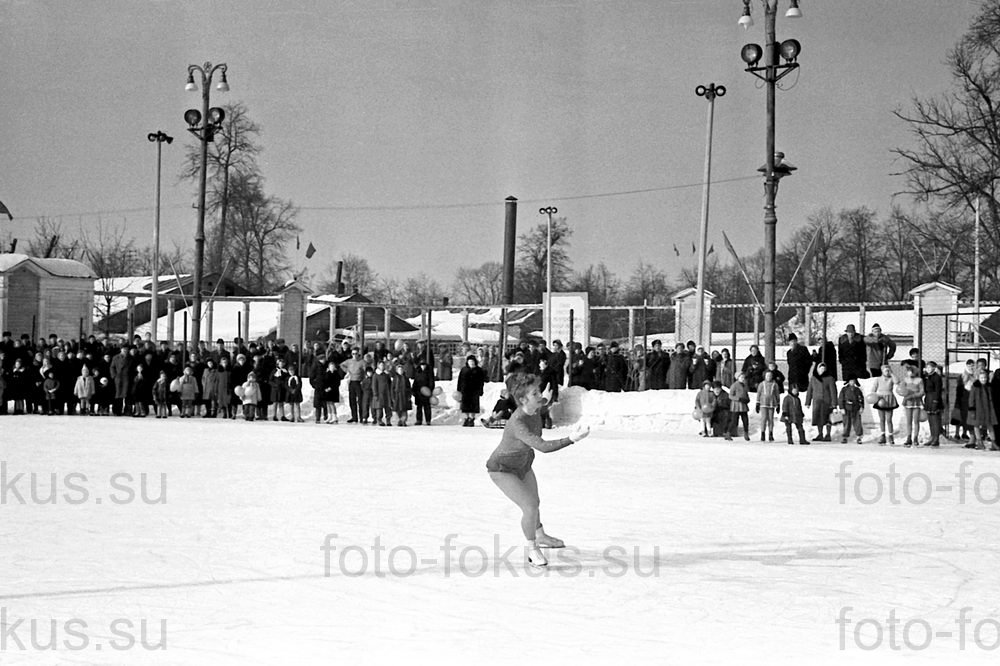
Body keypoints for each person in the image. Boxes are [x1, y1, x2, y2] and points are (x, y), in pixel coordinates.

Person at [485, 372, 590, 569]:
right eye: (535, 393)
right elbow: (543, 446)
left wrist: (545, 398)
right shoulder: (518, 422)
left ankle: (541, 535)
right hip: (502, 469)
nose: (539, 395)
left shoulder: (534, 407)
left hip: (523, 464)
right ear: (523, 399)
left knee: (535, 502)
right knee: (530, 506)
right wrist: (572, 438)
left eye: (538, 391)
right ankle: (532, 549)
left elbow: (542, 401)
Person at [966, 367, 997, 451]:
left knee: (990, 425)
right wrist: (972, 409)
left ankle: (994, 443)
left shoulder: (988, 387)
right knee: (976, 425)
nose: (984, 379)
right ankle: (979, 442)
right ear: (978, 378)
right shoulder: (975, 387)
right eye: (982, 378)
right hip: (978, 409)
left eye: (985, 378)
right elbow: (971, 399)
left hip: (987, 409)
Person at [806, 363, 837, 442]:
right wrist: (808, 402)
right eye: (820, 368)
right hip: (817, 402)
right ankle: (820, 434)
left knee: (827, 419)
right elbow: (810, 390)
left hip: (827, 402)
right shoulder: (813, 378)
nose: (822, 370)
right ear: (817, 369)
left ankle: (828, 434)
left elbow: (833, 392)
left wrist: (834, 404)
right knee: (818, 418)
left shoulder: (829, 378)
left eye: (823, 369)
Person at [896, 363, 925, 447]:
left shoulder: (919, 380)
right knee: (908, 421)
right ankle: (909, 437)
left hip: (916, 401)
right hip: (908, 401)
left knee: (916, 420)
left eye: (912, 371)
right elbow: (901, 390)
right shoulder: (905, 380)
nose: (910, 373)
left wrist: (913, 395)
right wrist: (903, 393)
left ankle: (915, 437)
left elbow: (922, 391)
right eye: (908, 371)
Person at [872, 364, 899, 446]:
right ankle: (882, 435)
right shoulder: (878, 379)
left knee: (889, 419)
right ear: (882, 371)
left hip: (889, 399)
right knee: (882, 419)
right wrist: (874, 396)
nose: (887, 372)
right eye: (885, 370)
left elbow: (897, 381)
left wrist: (892, 373)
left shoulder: (891, 379)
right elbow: (873, 389)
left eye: (888, 370)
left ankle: (890, 435)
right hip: (881, 399)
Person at [457, 355, 486, 427]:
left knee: (473, 405)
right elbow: (460, 380)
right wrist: (459, 389)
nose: (471, 363)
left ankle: (472, 418)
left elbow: (481, 381)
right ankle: (467, 418)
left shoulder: (479, 370)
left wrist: (480, 390)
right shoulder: (464, 369)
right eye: (470, 361)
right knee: (465, 405)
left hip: (474, 390)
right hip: (465, 390)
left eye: (472, 361)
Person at [838, 376, 865, 444]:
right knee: (847, 423)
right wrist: (842, 408)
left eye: (853, 381)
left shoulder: (858, 390)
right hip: (847, 409)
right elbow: (841, 399)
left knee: (857, 423)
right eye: (851, 381)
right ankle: (845, 437)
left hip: (856, 408)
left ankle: (859, 437)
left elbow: (861, 399)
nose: (852, 382)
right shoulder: (844, 389)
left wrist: (861, 407)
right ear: (848, 382)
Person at [756, 370, 780, 442]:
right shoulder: (762, 384)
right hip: (763, 403)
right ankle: (762, 433)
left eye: (770, 376)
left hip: (772, 403)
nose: (768, 377)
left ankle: (770, 433)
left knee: (770, 419)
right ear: (765, 376)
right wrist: (757, 403)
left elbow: (777, 394)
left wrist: (778, 404)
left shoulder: (774, 384)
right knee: (764, 418)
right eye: (767, 376)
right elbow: (759, 393)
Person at [728, 372, 751, 441]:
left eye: (743, 377)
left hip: (743, 405)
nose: (743, 379)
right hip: (736, 405)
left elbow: (746, 394)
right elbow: (730, 396)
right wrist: (738, 399)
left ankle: (746, 433)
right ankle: (728, 433)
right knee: (734, 420)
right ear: (737, 378)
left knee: (745, 420)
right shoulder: (734, 385)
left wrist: (747, 399)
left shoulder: (744, 385)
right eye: (741, 377)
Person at [412, 358, 434, 426]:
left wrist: (430, 390)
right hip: (418, 392)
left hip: (426, 392)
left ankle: (428, 420)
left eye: (424, 365)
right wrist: (413, 390)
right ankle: (419, 420)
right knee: (419, 407)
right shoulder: (417, 371)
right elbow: (415, 382)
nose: (423, 366)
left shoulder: (429, 372)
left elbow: (431, 382)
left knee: (427, 407)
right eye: (422, 365)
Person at [390, 361, 412, 426]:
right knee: (397, 409)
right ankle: (399, 420)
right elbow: (392, 388)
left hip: (404, 396)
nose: (400, 371)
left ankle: (403, 421)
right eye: (399, 370)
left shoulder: (406, 378)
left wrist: (409, 395)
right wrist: (393, 396)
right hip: (397, 396)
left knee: (404, 410)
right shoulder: (395, 378)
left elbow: (409, 387)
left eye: (401, 369)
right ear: (397, 371)